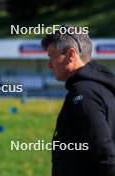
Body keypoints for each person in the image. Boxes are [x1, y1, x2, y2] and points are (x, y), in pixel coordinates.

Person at [41, 26, 115, 176]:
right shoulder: (101, 87)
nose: (49, 64)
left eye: (51, 57)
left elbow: (103, 150)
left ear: (71, 54)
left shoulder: (83, 93)